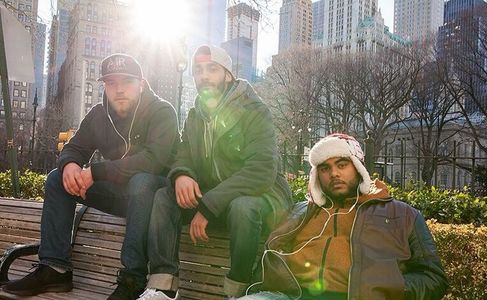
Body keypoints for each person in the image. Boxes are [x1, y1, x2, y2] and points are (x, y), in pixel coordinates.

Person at [2, 53, 180, 300]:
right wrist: (71, 166)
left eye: (126, 82)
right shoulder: (99, 114)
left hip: (155, 199)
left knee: (142, 181)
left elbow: (153, 161)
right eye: (111, 83)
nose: (119, 90)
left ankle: (133, 279)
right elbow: (74, 147)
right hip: (121, 195)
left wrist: (96, 172)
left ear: (141, 83)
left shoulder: (161, 111)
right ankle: (55, 268)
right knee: (57, 179)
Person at [135, 45, 293, 300]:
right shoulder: (195, 115)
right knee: (164, 197)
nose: (204, 76)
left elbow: (261, 170)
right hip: (217, 203)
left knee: (244, 206)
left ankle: (239, 291)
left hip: (261, 197)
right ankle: (163, 287)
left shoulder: (255, 110)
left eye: (212, 69)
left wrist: (208, 206)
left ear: (228, 75)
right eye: (198, 70)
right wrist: (182, 174)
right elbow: (183, 153)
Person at [239, 133, 449, 300]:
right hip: (286, 296)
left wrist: (389, 288)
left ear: (358, 168)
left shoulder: (402, 214)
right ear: (317, 176)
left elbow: (433, 278)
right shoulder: (300, 212)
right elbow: (270, 255)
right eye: (325, 168)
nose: (334, 174)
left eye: (342, 165)